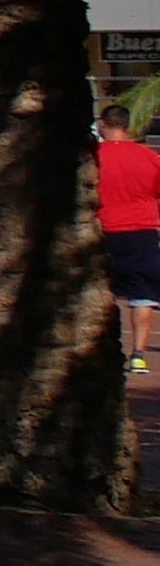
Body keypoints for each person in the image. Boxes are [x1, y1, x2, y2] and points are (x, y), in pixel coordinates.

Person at [101, 105, 160, 379]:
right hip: (142, 231)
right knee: (143, 294)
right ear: (127, 127)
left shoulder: (94, 156)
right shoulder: (148, 157)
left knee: (97, 288)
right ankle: (138, 355)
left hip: (103, 228)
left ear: (103, 125)